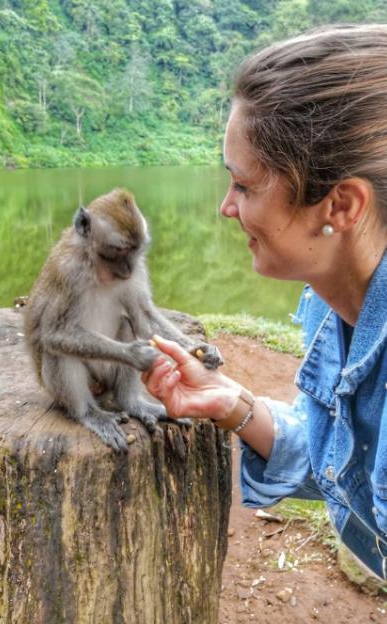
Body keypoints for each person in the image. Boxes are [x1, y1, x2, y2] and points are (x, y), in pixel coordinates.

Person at [141, 24, 387, 580]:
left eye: (246, 186)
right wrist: (234, 405)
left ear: (341, 205)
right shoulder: (334, 302)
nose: (227, 208)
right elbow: (344, 460)